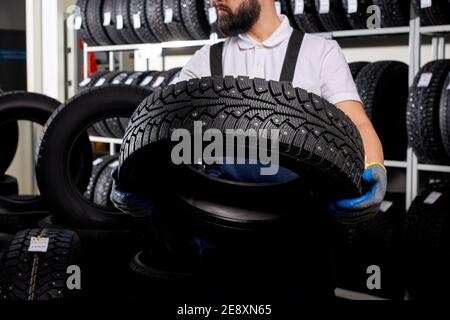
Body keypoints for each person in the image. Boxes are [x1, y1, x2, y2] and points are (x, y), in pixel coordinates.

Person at [111, 0, 387, 299]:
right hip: (220, 234)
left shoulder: (318, 52)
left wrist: (375, 167)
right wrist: (130, 173)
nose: (214, 0)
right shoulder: (207, 58)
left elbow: (356, 122)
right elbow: (161, 122)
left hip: (302, 236)